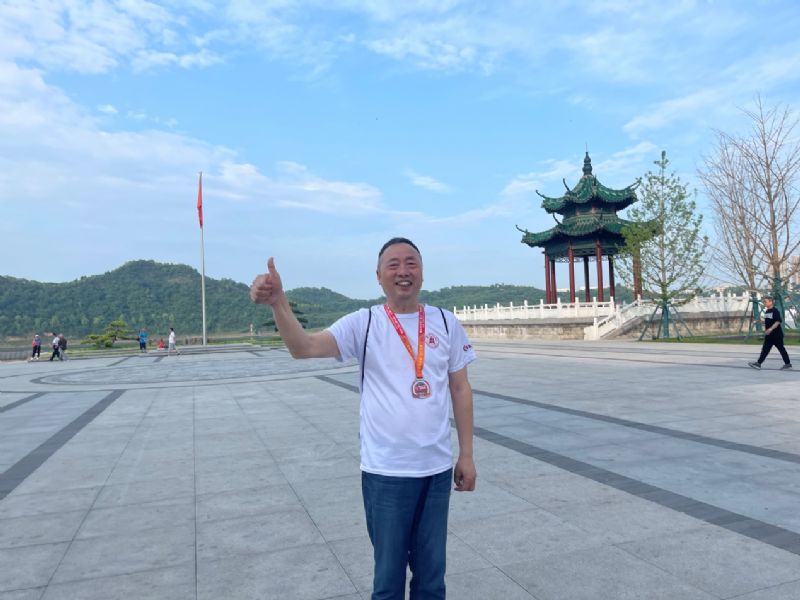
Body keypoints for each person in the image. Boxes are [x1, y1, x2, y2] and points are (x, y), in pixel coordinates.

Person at [250, 237, 476, 600]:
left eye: (411, 262)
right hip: (385, 472)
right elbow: (303, 347)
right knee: (388, 581)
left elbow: (460, 389)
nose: (403, 271)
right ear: (378, 276)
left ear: (422, 271)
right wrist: (279, 302)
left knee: (432, 580)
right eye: (393, 264)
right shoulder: (365, 323)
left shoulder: (446, 323)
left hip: (435, 471)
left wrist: (466, 455)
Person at [749, 295, 792, 370]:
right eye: (763, 302)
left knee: (781, 349)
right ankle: (758, 364)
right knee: (765, 350)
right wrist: (759, 321)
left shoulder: (775, 311)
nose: (764, 303)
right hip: (769, 335)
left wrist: (770, 329)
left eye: (765, 302)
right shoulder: (767, 311)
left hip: (776, 335)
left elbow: (778, 321)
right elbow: (768, 322)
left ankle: (788, 364)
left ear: (771, 302)